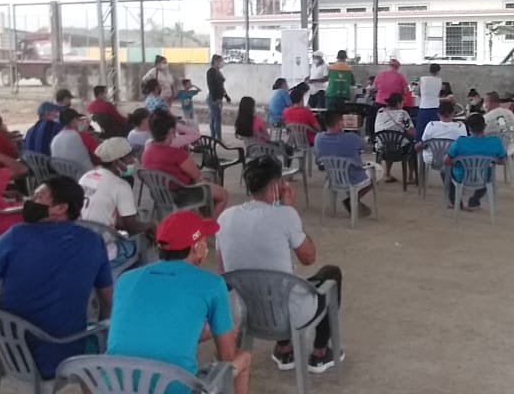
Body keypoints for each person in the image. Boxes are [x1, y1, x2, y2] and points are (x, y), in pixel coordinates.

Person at [0, 176, 113, 382]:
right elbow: (108, 299)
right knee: (105, 346)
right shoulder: (93, 242)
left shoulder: (16, 236)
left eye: (38, 197)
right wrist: (101, 329)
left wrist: (2, 312)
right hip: (66, 353)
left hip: (14, 353)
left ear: (61, 208)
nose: (30, 201)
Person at [216, 157, 344, 373]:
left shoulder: (225, 217)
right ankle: (320, 352)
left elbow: (223, 272)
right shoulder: (285, 215)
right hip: (289, 316)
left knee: (274, 284)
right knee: (331, 274)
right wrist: (289, 210)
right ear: (276, 186)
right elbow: (308, 258)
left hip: (247, 312)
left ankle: (284, 349)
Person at [107, 210, 251, 394]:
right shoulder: (212, 284)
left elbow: (148, 331)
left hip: (114, 387)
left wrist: (201, 334)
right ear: (197, 247)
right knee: (243, 358)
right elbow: (226, 356)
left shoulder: (126, 279)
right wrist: (224, 334)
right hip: (172, 388)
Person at [79, 138, 155, 273]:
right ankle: (136, 276)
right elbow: (132, 228)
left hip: (80, 240)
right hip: (103, 249)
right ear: (116, 162)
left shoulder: (86, 176)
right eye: (129, 158)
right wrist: (151, 225)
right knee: (142, 241)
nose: (133, 162)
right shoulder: (120, 186)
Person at [141, 110, 230, 217]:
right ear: (171, 131)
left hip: (160, 195)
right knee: (223, 195)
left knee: (206, 185)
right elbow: (197, 175)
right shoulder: (176, 154)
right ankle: (209, 224)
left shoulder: (147, 151)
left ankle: (203, 219)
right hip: (182, 195)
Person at [314, 109, 373, 216]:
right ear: (338, 124)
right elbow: (365, 147)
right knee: (376, 174)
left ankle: (351, 199)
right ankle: (352, 199)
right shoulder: (351, 138)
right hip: (353, 177)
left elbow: (318, 157)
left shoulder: (318, 138)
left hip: (332, 176)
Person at [443, 113, 505, 210]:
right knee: (489, 173)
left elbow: (446, 161)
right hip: (483, 176)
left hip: (461, 176)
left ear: (469, 128)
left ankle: (455, 201)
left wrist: (455, 161)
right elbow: (503, 161)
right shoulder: (495, 141)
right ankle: (474, 200)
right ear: (485, 126)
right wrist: (494, 160)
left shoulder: (460, 142)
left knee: (444, 170)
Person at [374, 93, 415, 184]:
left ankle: (388, 174)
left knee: (390, 141)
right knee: (411, 145)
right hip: (399, 149)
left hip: (381, 147)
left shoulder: (380, 111)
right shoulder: (403, 113)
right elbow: (411, 131)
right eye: (402, 103)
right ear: (398, 103)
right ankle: (410, 177)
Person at [417, 101, 467, 166]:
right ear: (453, 113)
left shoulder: (431, 125)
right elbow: (463, 145)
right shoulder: (461, 127)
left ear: (438, 114)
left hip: (431, 159)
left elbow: (423, 143)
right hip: (453, 160)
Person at [206, 54, 233, 142]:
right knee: (216, 119)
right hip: (214, 98)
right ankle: (218, 138)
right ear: (215, 61)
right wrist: (215, 98)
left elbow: (221, 87)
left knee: (215, 118)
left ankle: (214, 137)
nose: (222, 63)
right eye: (220, 61)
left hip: (218, 98)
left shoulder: (218, 72)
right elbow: (211, 86)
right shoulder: (211, 71)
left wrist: (226, 96)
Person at [415, 64, 443, 141]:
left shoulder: (422, 79)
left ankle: (419, 145)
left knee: (421, 129)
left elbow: (418, 93)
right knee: (435, 130)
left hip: (424, 106)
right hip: (435, 107)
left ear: (429, 70)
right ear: (438, 71)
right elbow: (438, 94)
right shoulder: (439, 81)